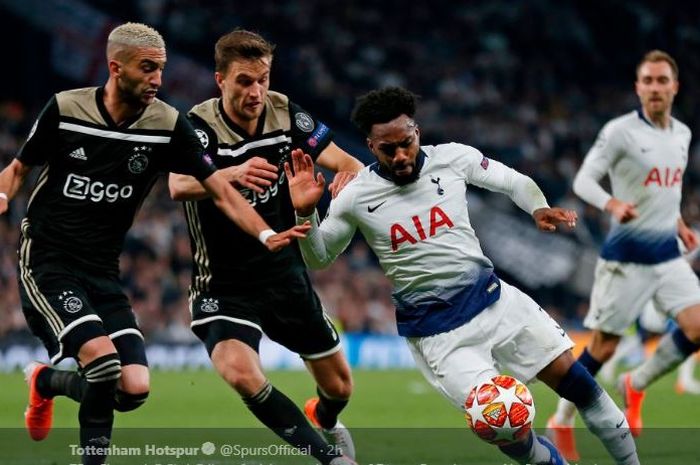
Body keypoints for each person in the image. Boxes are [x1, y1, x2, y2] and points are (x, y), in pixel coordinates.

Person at [0, 23, 307, 465]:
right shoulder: (66, 110)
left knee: (133, 389)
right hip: (48, 259)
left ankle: (45, 382)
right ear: (115, 67)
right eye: (147, 69)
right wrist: (3, 195)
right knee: (104, 365)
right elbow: (17, 168)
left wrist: (264, 232)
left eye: (160, 70)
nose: (157, 80)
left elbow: (218, 189)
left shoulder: (166, 123)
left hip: (103, 270)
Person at [286, 86, 640, 465]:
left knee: (581, 386)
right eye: (388, 149)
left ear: (417, 131)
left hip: (494, 301)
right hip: (440, 336)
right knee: (508, 432)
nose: (401, 155)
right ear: (371, 147)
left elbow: (512, 181)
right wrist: (305, 214)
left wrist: (537, 207)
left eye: (406, 142)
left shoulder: (452, 158)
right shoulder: (356, 196)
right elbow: (320, 258)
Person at [167, 29, 364, 465]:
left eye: (263, 78)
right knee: (241, 374)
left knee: (339, 388)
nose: (256, 91)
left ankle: (327, 421)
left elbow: (347, 162)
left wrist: (345, 183)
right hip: (224, 282)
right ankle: (329, 459)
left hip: (284, 275)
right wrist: (230, 174)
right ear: (220, 79)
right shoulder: (198, 127)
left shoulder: (284, 112)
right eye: (244, 81)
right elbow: (177, 183)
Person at [546, 49, 700, 461]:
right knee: (604, 347)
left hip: (667, 254)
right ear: (638, 87)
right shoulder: (619, 132)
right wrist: (611, 205)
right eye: (647, 81)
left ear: (674, 87)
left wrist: (680, 223)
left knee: (698, 326)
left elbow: (670, 188)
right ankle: (561, 418)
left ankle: (636, 383)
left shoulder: (682, 134)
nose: (654, 87)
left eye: (661, 80)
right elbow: (583, 179)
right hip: (625, 258)